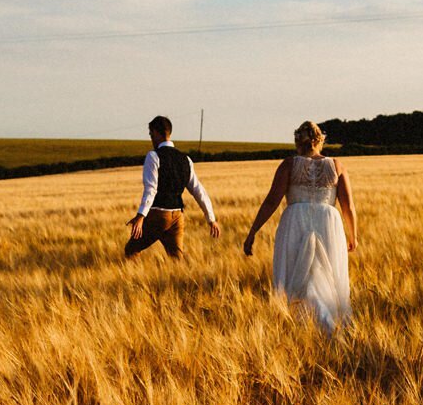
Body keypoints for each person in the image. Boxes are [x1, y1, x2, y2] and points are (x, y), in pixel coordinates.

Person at [242, 121, 356, 331]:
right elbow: (348, 205)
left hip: (295, 221)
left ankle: (302, 325)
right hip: (328, 222)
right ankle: (328, 325)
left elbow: (271, 201)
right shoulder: (337, 165)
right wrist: (353, 235)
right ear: (320, 140)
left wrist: (253, 231)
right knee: (325, 273)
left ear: (298, 141)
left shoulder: (289, 165)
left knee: (298, 275)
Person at [125, 115, 221, 260]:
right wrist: (211, 219)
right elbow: (198, 191)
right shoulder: (185, 159)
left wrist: (141, 216)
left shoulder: (153, 156)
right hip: (177, 217)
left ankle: (139, 281)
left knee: (131, 250)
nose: (151, 139)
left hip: (159, 215)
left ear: (157, 133)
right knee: (176, 260)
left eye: (151, 134)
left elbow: (151, 190)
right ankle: (177, 282)